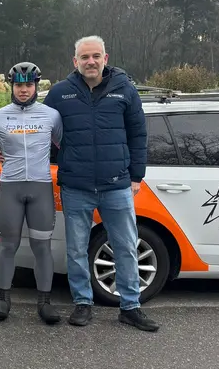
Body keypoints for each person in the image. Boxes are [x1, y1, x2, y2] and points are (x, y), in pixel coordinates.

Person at [43, 35, 158, 332]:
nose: (90, 61)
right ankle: (83, 303)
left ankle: (130, 306)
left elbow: (138, 135)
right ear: (75, 61)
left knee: (126, 247)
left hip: (117, 185)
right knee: (77, 249)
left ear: (105, 58)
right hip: (76, 186)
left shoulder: (125, 90)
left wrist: (136, 176)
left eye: (96, 56)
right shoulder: (59, 93)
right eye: (85, 57)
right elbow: (44, 132)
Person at [0, 62, 62, 324]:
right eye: (19, 85)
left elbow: (65, 147)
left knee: (41, 247)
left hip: (41, 187)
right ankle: (3, 299)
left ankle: (44, 303)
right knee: (7, 245)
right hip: (10, 188)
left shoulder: (51, 115)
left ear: (36, 86)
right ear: (12, 86)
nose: (23, 90)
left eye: (28, 85)